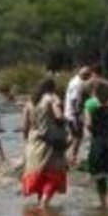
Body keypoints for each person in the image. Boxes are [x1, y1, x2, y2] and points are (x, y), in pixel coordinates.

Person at [21, 78, 70, 208]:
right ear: (52, 88)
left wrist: (27, 142)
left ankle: (41, 204)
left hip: (34, 142)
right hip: (50, 143)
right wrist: (67, 122)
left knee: (40, 175)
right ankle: (43, 204)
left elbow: (25, 127)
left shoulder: (29, 102)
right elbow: (59, 116)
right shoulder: (51, 98)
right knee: (53, 175)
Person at [64, 65, 94, 165]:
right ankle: (73, 157)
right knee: (77, 137)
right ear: (85, 75)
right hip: (73, 114)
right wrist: (77, 116)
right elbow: (74, 101)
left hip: (70, 113)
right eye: (88, 76)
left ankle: (63, 153)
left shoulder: (74, 80)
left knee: (73, 136)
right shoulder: (78, 84)